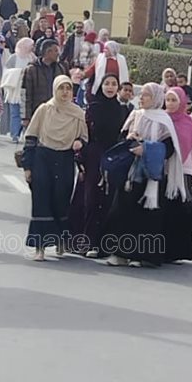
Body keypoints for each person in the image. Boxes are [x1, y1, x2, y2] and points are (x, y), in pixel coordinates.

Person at [101, 82, 186, 268]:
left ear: (155, 98)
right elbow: (121, 138)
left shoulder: (164, 121)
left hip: (150, 175)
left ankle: (140, 255)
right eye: (141, 94)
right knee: (122, 211)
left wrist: (147, 149)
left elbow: (169, 149)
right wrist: (130, 139)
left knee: (144, 216)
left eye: (146, 94)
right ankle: (119, 253)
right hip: (130, 172)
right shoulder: (136, 115)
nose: (142, 97)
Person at [22, 74, 88, 261]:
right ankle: (40, 247)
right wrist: (27, 167)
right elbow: (31, 137)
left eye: (68, 88)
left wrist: (79, 143)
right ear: (55, 90)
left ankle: (61, 239)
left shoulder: (78, 114)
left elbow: (84, 138)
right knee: (41, 200)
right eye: (61, 88)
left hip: (65, 159)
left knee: (61, 200)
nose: (65, 92)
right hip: (43, 157)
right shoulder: (44, 109)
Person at [69, 72, 124, 256]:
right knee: (88, 198)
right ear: (101, 86)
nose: (110, 87)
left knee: (106, 199)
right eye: (107, 83)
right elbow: (84, 135)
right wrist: (80, 159)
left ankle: (100, 244)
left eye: (114, 84)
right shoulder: (92, 108)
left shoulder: (121, 110)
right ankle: (80, 241)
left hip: (112, 158)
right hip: (92, 157)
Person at [162, 86, 192, 263]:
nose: (171, 104)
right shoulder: (161, 119)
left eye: (174, 100)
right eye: (168, 100)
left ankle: (178, 251)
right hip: (165, 170)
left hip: (184, 171)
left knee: (181, 211)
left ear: (182, 102)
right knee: (165, 209)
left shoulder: (189, 123)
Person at [0, 36, 34, 142]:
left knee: (25, 113)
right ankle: (15, 134)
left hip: (27, 90)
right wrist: (19, 72)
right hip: (14, 90)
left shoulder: (32, 58)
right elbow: (6, 71)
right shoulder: (13, 58)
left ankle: (25, 134)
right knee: (15, 113)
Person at [23, 37, 61, 124]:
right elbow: (25, 94)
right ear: (48, 52)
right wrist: (26, 117)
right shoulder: (32, 70)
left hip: (56, 113)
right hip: (37, 113)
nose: (58, 54)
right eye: (55, 51)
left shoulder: (60, 69)